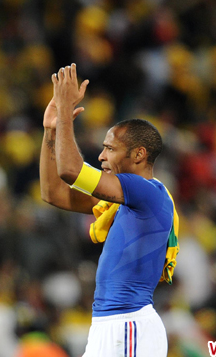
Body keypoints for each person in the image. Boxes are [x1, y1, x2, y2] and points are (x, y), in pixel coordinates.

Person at [40, 63, 179, 357]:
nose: (101, 156)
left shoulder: (147, 191)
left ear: (139, 154)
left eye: (110, 149)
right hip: (109, 326)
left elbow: (69, 170)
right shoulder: (125, 200)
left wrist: (65, 112)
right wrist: (50, 130)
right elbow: (53, 193)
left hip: (129, 325)